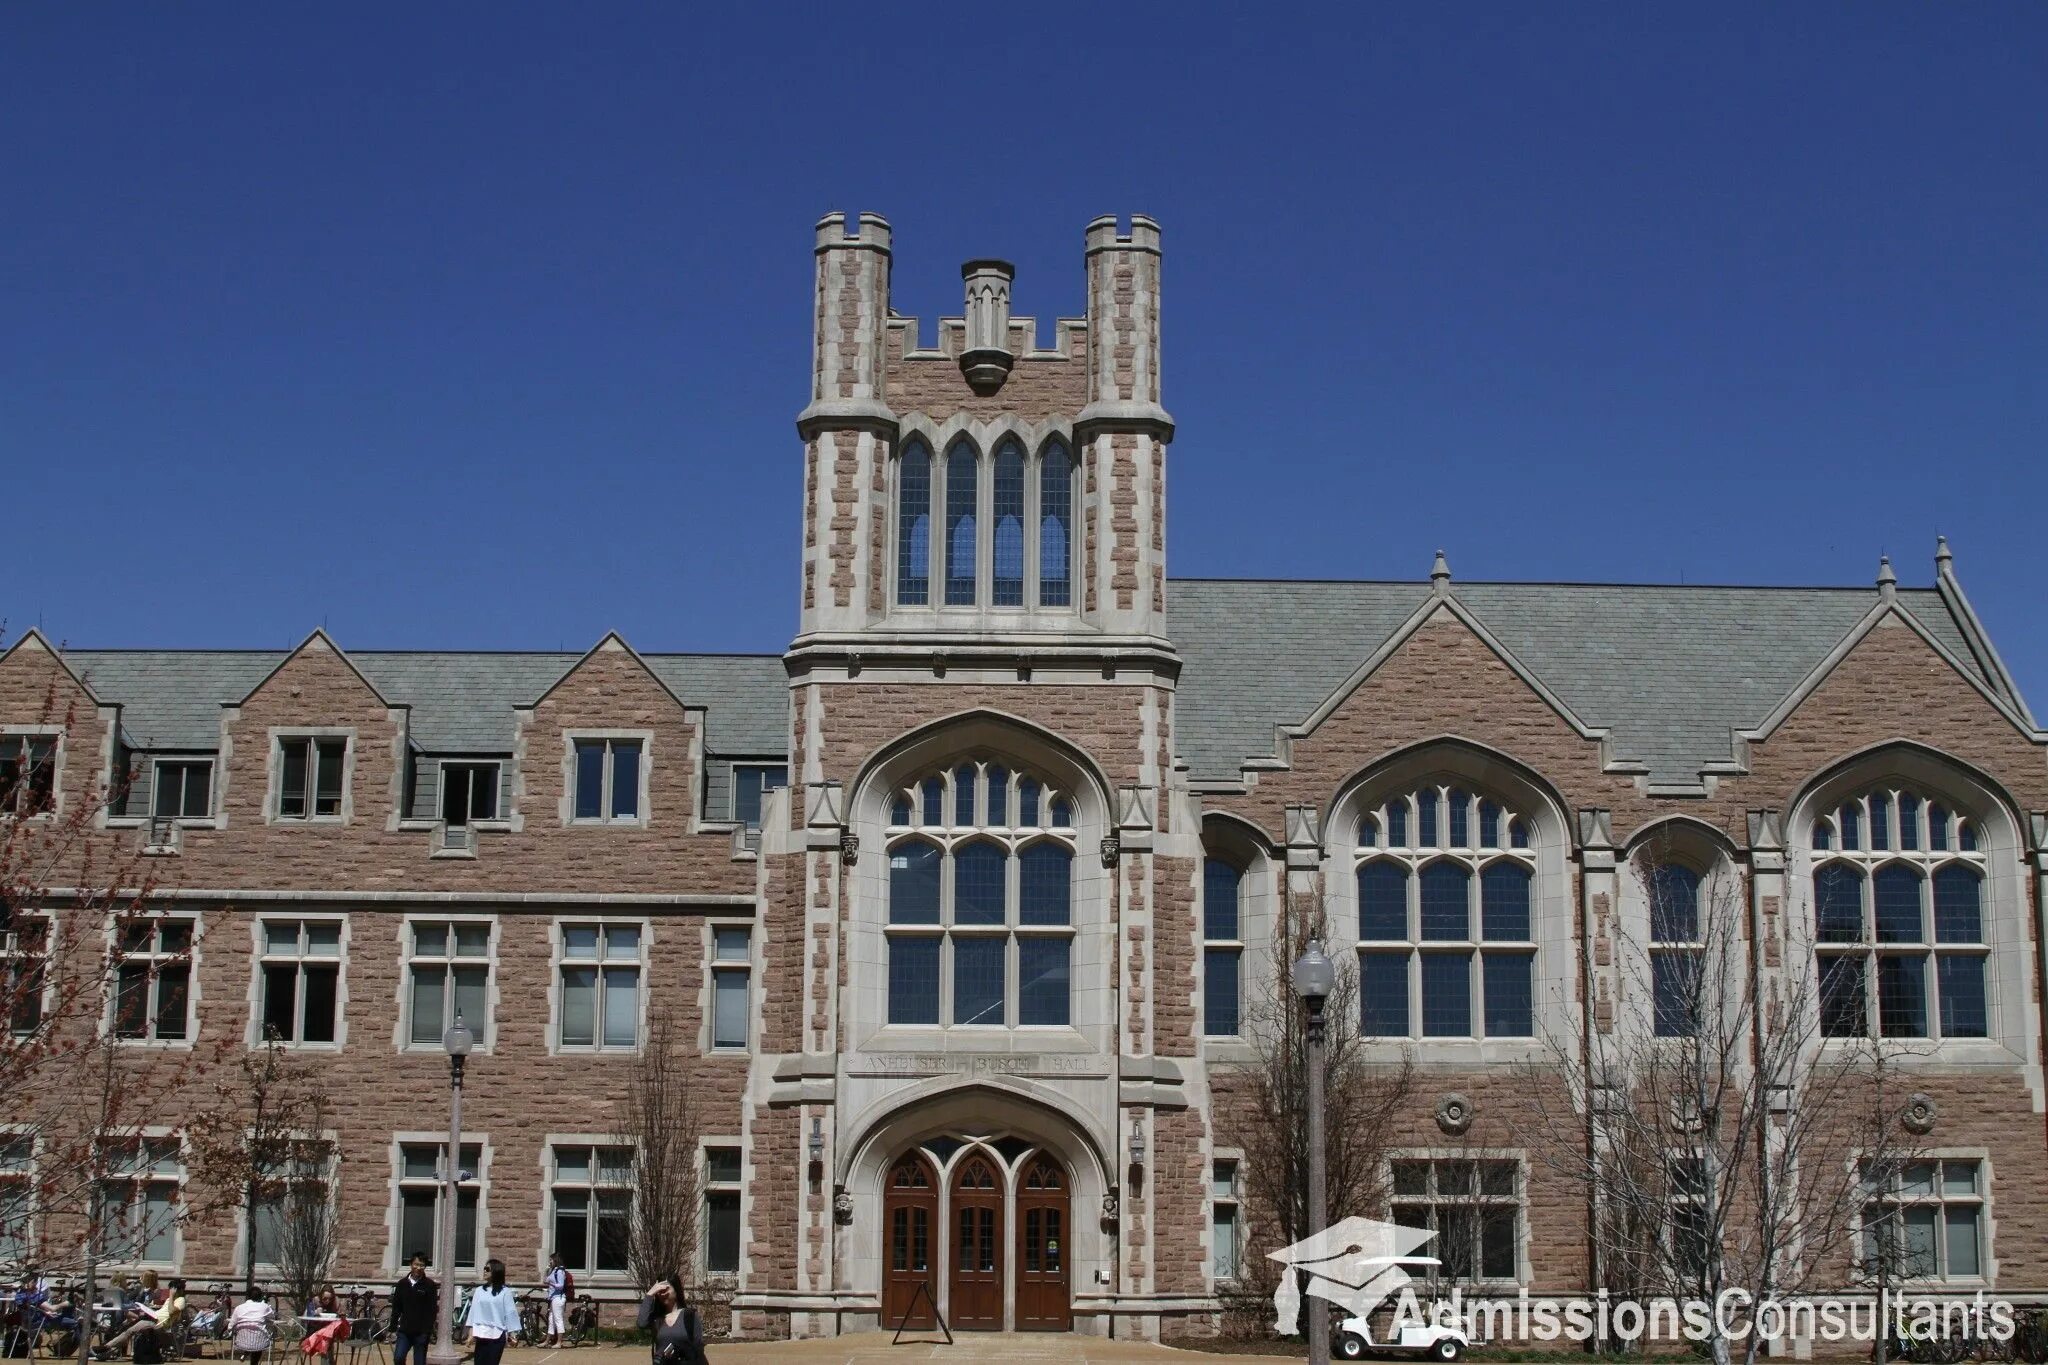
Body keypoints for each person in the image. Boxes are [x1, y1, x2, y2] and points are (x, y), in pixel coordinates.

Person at [635, 1275, 704, 1365]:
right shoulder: (657, 1318)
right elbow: (641, 1323)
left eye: (665, 1289)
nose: (662, 1293)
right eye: (659, 1291)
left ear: (676, 1290)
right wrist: (650, 1294)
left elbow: (698, 1349)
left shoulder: (690, 1316)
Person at [463, 1263, 517, 1365]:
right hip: (481, 1332)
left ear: (496, 1272)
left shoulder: (505, 1292)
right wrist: (471, 1334)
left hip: (497, 1333)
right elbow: (473, 1312)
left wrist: (512, 1334)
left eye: (487, 1269)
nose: (484, 1271)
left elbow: (510, 1313)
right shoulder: (479, 1291)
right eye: (484, 1268)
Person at [389, 1254, 438, 1365]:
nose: (418, 1268)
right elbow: (396, 1307)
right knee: (398, 1357)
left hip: (421, 1332)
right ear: (411, 1265)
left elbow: (432, 1310)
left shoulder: (429, 1285)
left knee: (419, 1362)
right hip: (405, 1331)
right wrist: (392, 1327)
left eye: (422, 1265)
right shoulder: (402, 1284)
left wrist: (427, 1330)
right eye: (416, 1264)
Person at [228, 1289, 276, 1365]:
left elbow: (230, 1326)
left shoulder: (239, 1308)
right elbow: (272, 1318)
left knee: (252, 1339)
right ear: (261, 1297)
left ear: (248, 1296)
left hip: (241, 1342)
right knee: (258, 1339)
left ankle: (247, 1352)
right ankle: (254, 1362)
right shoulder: (265, 1307)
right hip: (260, 1342)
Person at [543, 1254, 569, 1349]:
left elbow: (560, 1285)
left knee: (558, 1319)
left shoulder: (560, 1271)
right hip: (553, 1298)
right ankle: (547, 1341)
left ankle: (559, 1342)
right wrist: (546, 1271)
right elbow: (545, 1281)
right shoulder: (553, 1271)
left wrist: (551, 1284)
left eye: (551, 1260)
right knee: (551, 1320)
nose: (550, 1262)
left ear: (555, 1260)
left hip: (559, 1298)